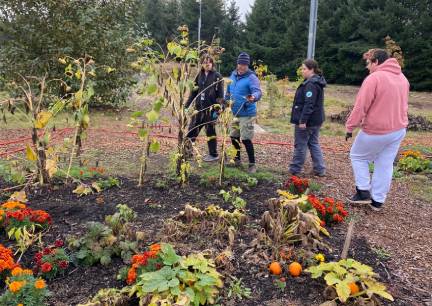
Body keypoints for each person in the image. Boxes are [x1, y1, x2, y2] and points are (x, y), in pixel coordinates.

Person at [346, 49, 409, 211]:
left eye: (368, 63)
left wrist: (350, 127)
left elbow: (361, 106)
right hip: (398, 130)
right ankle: (377, 201)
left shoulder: (374, 78)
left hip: (376, 130)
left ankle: (362, 192)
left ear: (376, 62)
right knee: (385, 164)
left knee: (358, 156)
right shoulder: (402, 78)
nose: (367, 67)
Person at [225, 52, 262, 173]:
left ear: (247, 65)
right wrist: (225, 103)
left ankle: (252, 164)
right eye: (239, 64)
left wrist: (253, 97)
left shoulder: (251, 77)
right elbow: (228, 91)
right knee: (234, 136)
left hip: (247, 113)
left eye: (244, 65)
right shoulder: (233, 75)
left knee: (246, 139)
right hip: (235, 112)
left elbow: (257, 91)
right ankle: (236, 160)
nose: (241, 67)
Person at [289, 59, 326, 177]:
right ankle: (319, 169)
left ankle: (295, 169)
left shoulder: (311, 84)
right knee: (313, 143)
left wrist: (303, 120)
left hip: (308, 121)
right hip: (316, 120)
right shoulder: (315, 82)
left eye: (304, 69)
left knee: (301, 144)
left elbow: (309, 104)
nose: (302, 71)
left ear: (312, 69)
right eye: (302, 68)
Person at [185, 55, 224, 162]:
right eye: (205, 62)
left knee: (210, 132)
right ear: (201, 64)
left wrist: (218, 110)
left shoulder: (217, 76)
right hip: (199, 109)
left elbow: (220, 95)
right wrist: (186, 106)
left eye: (209, 62)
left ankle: (213, 154)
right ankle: (187, 151)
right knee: (192, 130)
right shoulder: (199, 75)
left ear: (212, 64)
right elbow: (193, 93)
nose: (207, 64)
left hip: (211, 109)